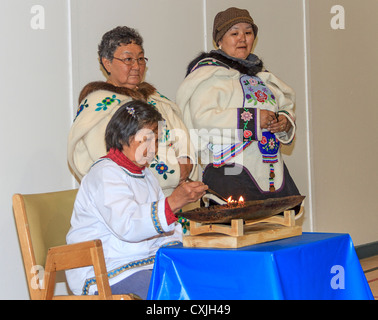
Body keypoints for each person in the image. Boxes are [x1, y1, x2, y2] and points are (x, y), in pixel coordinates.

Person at [66, 100, 207, 298]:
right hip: (107, 270)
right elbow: (127, 225)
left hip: (144, 263)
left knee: (202, 278)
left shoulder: (146, 175)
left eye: (157, 140)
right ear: (124, 136)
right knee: (171, 293)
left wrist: (186, 244)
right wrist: (173, 202)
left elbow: (164, 229)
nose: (153, 148)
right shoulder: (105, 173)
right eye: (146, 139)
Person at [176, 7, 300, 205]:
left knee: (277, 226)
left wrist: (284, 121)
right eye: (234, 33)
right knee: (238, 226)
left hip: (270, 169)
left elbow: (285, 105)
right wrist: (254, 119)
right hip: (230, 172)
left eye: (248, 33)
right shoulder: (209, 76)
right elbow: (203, 119)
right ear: (219, 40)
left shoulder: (263, 77)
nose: (242, 38)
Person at [68, 26, 196, 198]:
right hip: (128, 202)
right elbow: (112, 159)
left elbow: (182, 136)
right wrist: (175, 172)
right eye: (128, 59)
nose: (136, 66)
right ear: (107, 63)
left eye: (141, 59)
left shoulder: (155, 99)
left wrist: (186, 161)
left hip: (177, 198)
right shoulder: (99, 105)